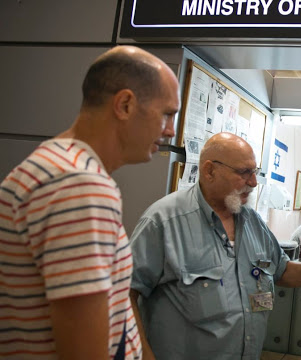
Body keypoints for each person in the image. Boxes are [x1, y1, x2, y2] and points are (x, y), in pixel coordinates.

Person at [0, 46, 179, 359]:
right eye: (167, 114)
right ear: (124, 104)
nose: (170, 130)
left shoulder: (57, 165)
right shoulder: (79, 184)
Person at [129, 132, 301, 360]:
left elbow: (283, 271)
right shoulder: (164, 222)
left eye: (255, 172)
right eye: (244, 172)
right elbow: (123, 296)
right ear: (210, 171)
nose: (254, 182)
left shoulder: (253, 222)